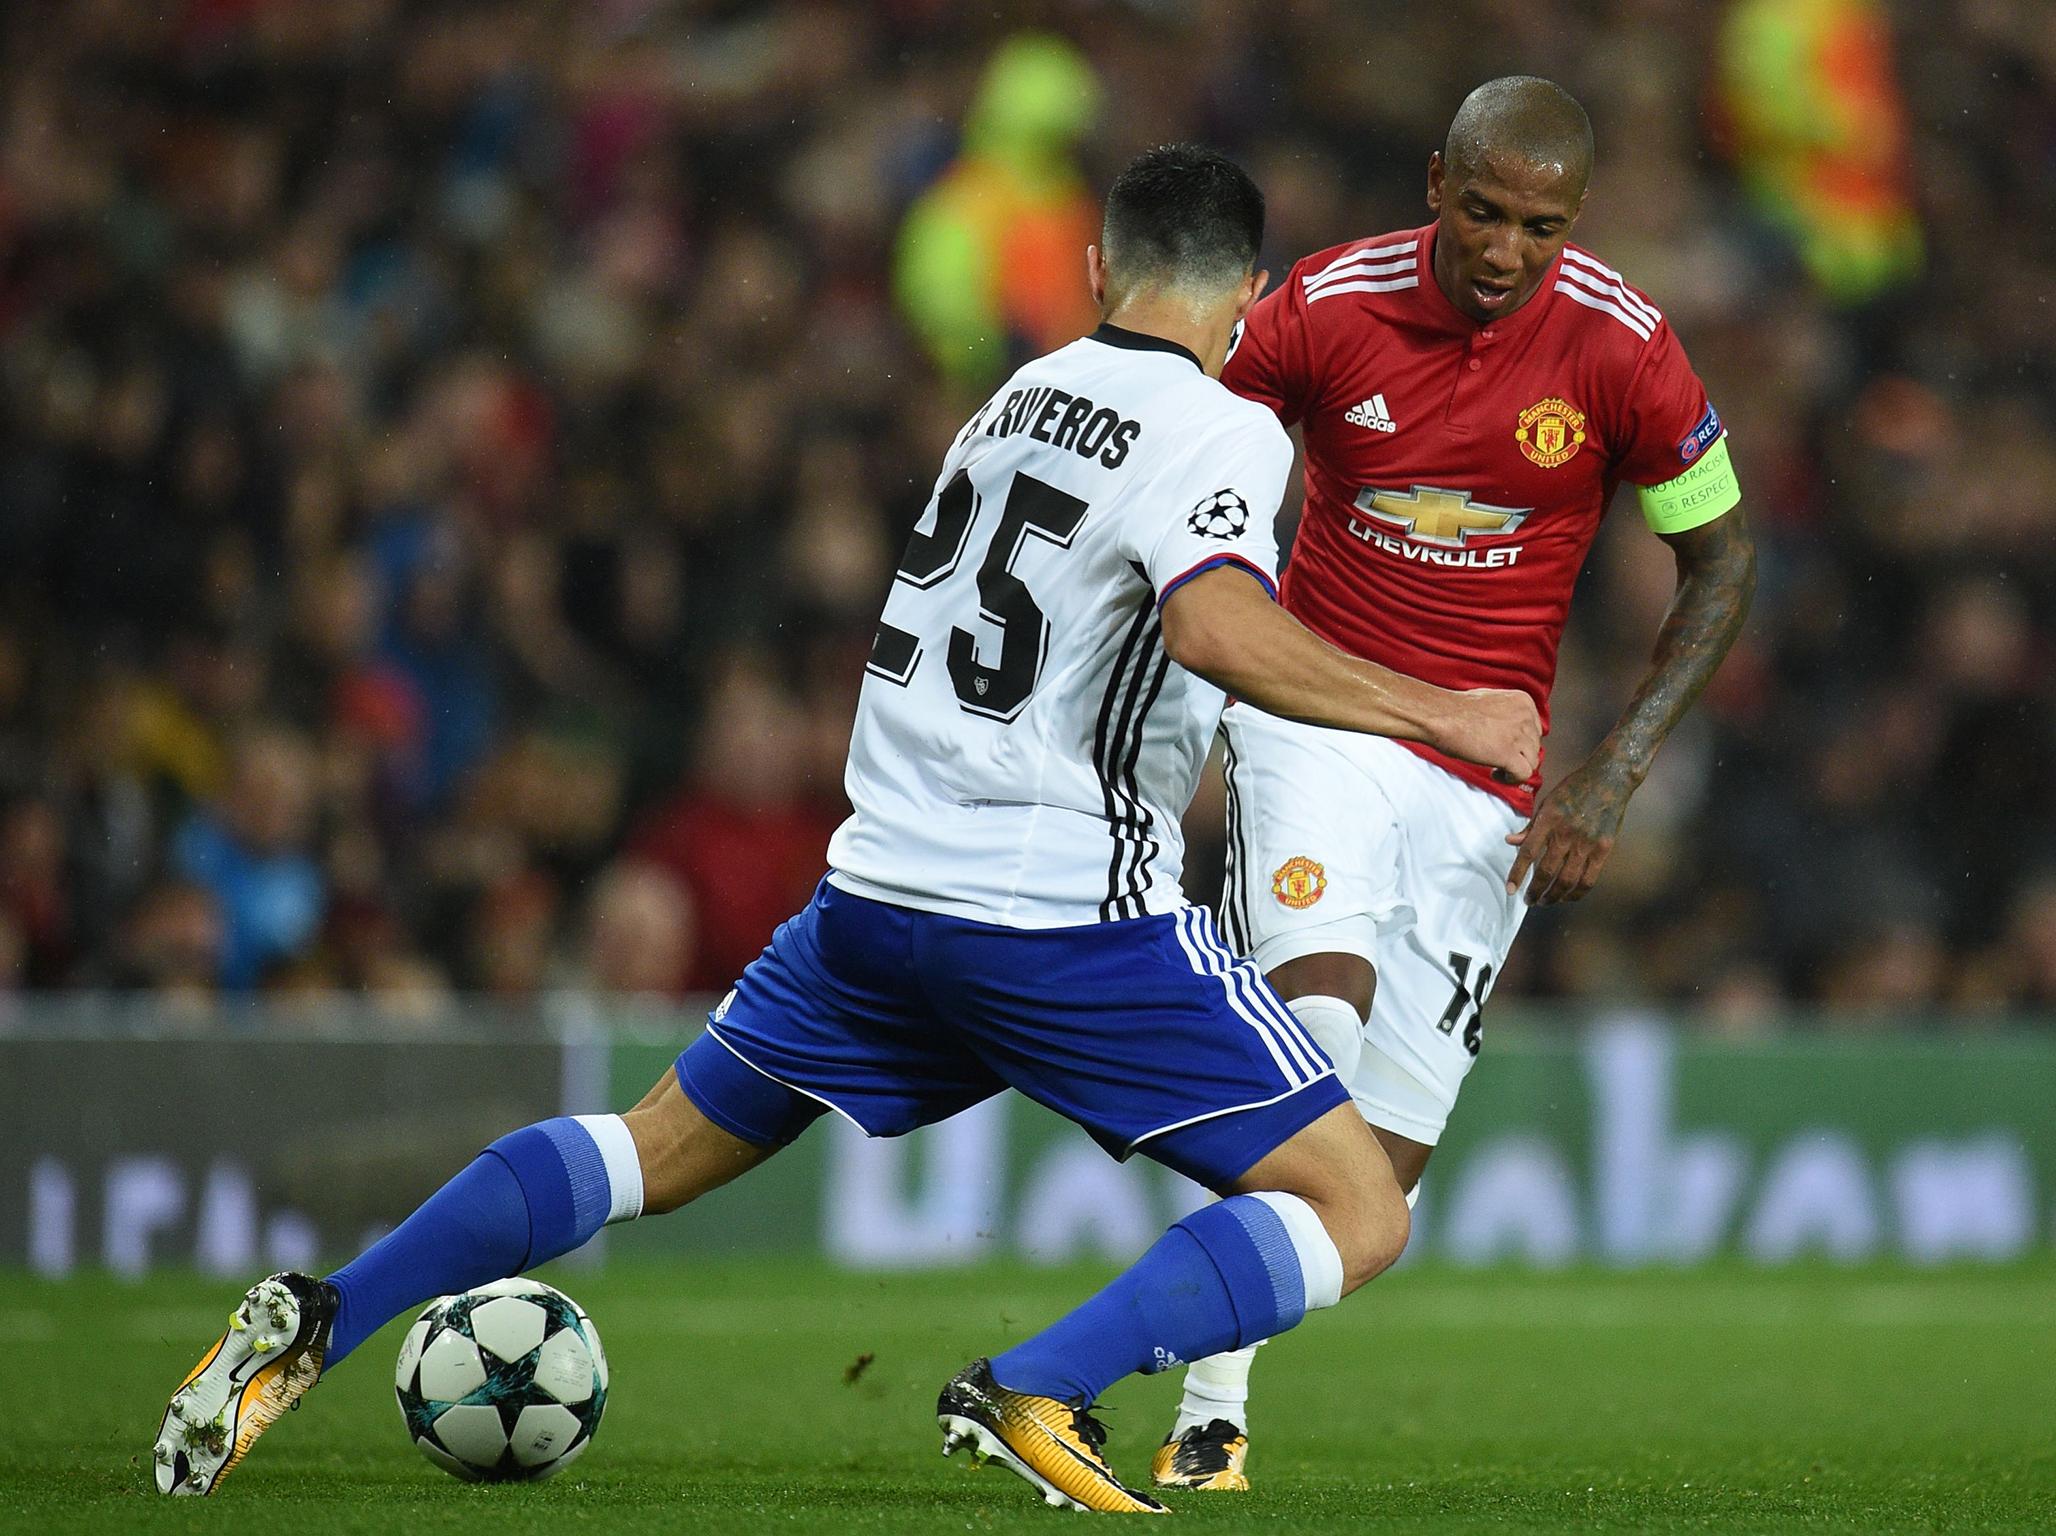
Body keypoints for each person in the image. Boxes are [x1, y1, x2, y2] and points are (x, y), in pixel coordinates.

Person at [150, 145, 1539, 1513]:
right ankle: (1038, 1386)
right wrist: (1440, 713)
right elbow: (1211, 620)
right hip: (1052, 906)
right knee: (1362, 1208)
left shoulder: (1014, 400)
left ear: (1100, 266)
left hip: (877, 892)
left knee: (654, 1149)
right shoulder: (1224, 421)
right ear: (1256, 289)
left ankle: (328, 1310)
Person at [1154, 78, 1757, 1493]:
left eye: (1538, 226)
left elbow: (1723, 558)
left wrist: (1612, 771)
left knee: (1371, 1197)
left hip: (1489, 779)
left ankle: (1133, 1339)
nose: (1503, 249)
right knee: (1314, 1029)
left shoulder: (1624, 350)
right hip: (1319, 724)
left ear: (1574, 222)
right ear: (1438, 181)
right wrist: (1181, 693)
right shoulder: (1327, 307)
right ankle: (1205, 1419)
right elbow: (1190, 464)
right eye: (1482, 210)